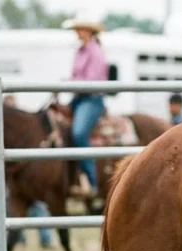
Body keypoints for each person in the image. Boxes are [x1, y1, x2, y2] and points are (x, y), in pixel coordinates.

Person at [63, 16, 109, 199]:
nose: (78, 33)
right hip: (78, 97)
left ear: (90, 31)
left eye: (81, 29)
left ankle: (91, 180)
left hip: (91, 99)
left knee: (79, 133)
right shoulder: (80, 51)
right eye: (77, 29)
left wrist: (70, 83)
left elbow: (92, 81)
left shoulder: (95, 52)